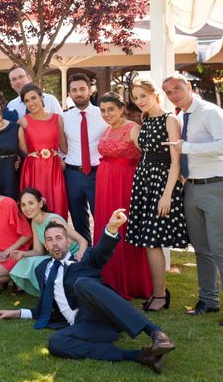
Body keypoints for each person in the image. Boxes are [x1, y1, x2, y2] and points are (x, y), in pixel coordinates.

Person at [0, 211, 176, 374]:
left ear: (68, 241)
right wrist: (17, 312)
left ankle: (156, 333)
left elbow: (101, 252)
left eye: (59, 238)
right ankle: (141, 356)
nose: (55, 243)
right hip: (87, 326)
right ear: (46, 245)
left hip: (105, 315)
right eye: (49, 239)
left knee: (81, 284)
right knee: (56, 343)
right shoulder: (42, 269)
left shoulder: (83, 260)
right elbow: (46, 304)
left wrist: (111, 229)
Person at [162, 74, 223, 319]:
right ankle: (208, 300)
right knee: (201, 249)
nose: (174, 94)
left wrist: (186, 148)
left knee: (219, 249)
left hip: (215, 186)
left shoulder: (210, 112)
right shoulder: (179, 117)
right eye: (168, 92)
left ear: (188, 87)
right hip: (192, 188)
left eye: (177, 89)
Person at [127, 78, 188, 311]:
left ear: (154, 94)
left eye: (143, 95)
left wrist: (167, 195)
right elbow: (146, 153)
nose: (140, 101)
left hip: (162, 184)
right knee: (147, 241)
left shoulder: (169, 119)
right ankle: (158, 292)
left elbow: (175, 162)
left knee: (153, 241)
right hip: (144, 182)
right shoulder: (144, 120)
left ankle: (160, 295)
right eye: (136, 97)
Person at [94, 92, 152, 300]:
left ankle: (130, 281)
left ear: (121, 109)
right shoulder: (108, 129)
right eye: (103, 110)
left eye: (111, 109)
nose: (107, 114)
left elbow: (149, 156)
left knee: (125, 230)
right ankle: (110, 277)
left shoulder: (133, 129)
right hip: (105, 186)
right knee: (108, 228)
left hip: (125, 185)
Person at [10, 187, 87, 297]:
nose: (27, 208)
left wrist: (79, 256)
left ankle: (52, 294)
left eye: (31, 203)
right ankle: (49, 294)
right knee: (26, 261)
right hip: (56, 256)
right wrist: (22, 253)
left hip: (72, 256)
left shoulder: (53, 220)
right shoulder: (34, 222)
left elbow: (82, 240)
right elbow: (38, 251)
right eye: (23, 205)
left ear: (40, 203)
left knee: (36, 263)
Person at [61, 74, 108, 244]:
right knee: (78, 219)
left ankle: (104, 254)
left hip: (98, 173)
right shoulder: (64, 118)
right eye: (74, 90)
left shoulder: (103, 114)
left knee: (102, 217)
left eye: (82, 89)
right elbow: (60, 144)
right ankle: (86, 254)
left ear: (90, 90)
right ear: (70, 94)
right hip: (73, 175)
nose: (78, 93)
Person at [18, 84, 69, 219]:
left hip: (54, 170)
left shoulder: (57, 118)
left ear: (41, 97)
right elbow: (23, 150)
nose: (31, 103)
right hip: (33, 169)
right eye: (26, 101)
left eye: (34, 98)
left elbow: (64, 148)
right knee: (34, 206)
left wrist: (64, 161)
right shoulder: (23, 121)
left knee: (57, 204)